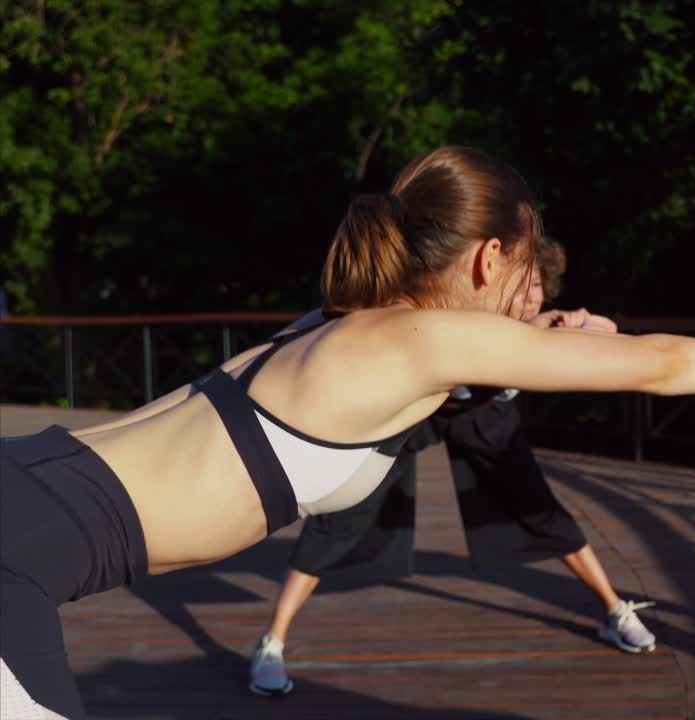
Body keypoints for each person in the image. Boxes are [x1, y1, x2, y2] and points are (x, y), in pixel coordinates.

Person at [0, 145, 695, 719]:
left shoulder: (345, 326)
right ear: (490, 258)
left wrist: (593, 344)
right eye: (523, 280)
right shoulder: (418, 336)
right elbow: (654, 370)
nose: (521, 305)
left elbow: (464, 385)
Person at [247, 240, 654, 697]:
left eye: (537, 285)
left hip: (485, 418)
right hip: (415, 408)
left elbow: (609, 330)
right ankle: (272, 641)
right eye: (519, 285)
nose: (529, 297)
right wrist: (538, 328)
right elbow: (483, 356)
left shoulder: (544, 321)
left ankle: (615, 609)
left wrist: (580, 321)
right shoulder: (469, 316)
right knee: (342, 514)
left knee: (538, 507)